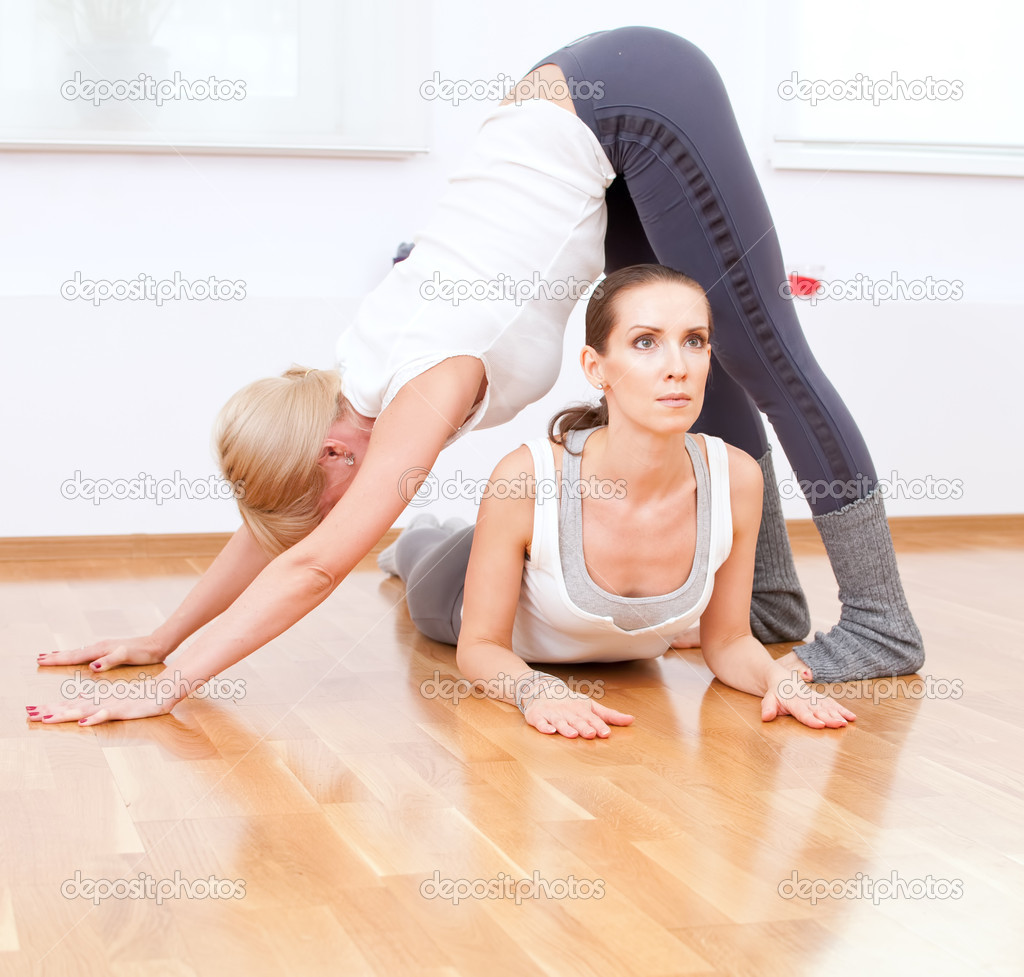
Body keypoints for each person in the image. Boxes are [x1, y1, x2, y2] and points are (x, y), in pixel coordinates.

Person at [28, 26, 919, 727]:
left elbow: (312, 564)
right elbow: (279, 532)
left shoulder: (425, 377)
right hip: (572, 114)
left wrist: (170, 685)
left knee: (761, 349)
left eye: (335, 496)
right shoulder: (347, 381)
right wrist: (161, 636)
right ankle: (765, 603)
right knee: (705, 356)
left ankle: (881, 621)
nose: (354, 510)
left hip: (633, 97)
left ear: (336, 451)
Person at [378, 264, 856, 737]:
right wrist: (533, 689)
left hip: (550, 573)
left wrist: (778, 678)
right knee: (421, 545)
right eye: (645, 342)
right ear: (595, 367)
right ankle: (414, 541)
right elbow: (480, 646)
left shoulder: (737, 478)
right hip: (450, 594)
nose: (678, 367)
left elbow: (730, 640)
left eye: (695, 340)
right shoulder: (525, 477)